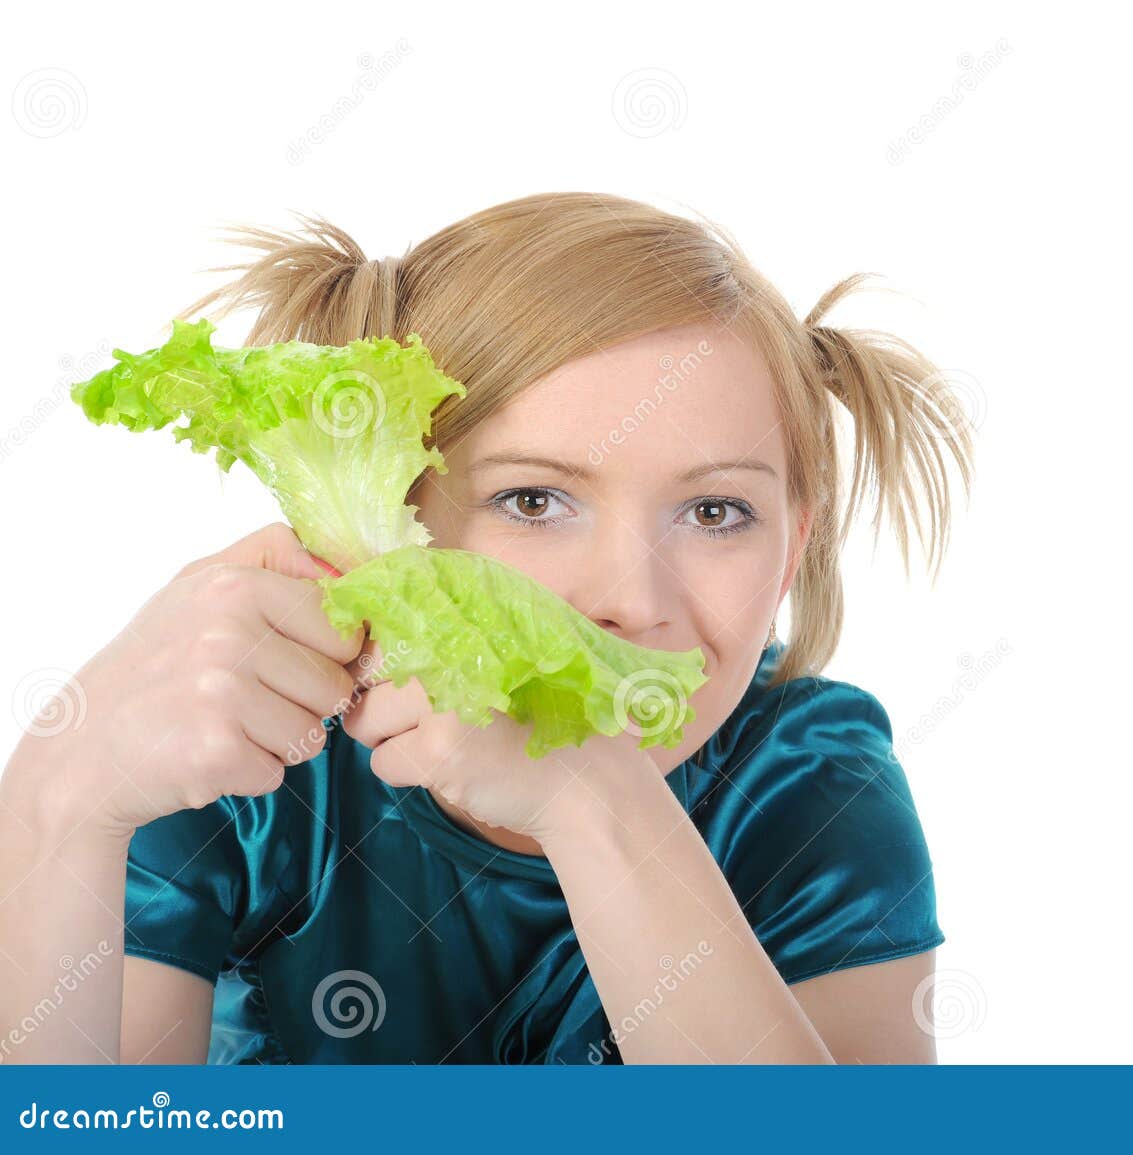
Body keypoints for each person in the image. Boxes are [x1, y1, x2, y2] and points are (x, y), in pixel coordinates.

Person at [0, 193, 976, 1063]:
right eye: (534, 501)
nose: (630, 602)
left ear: (795, 545)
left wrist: (597, 802)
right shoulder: (246, 771)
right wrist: (55, 799)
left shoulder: (808, 781)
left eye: (716, 513)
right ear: (392, 512)